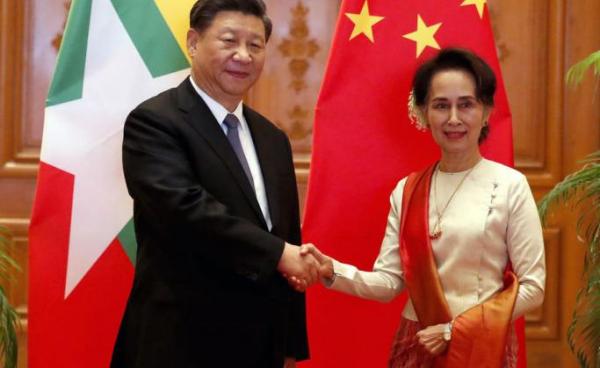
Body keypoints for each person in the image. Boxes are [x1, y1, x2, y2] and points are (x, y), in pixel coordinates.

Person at [297, 48, 546, 367]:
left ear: (485, 112)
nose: (453, 118)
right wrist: (333, 270)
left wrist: (455, 330)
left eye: (466, 104)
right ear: (424, 112)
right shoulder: (408, 190)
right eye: (441, 105)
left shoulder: (510, 185)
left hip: (480, 345)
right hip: (419, 344)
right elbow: (388, 284)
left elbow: (533, 288)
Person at [110, 1, 319, 367]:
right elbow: (186, 213)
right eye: (229, 41)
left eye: (255, 45)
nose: (243, 55)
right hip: (180, 343)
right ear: (193, 42)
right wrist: (278, 254)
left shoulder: (272, 139)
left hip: (260, 345)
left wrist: (290, 346)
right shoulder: (154, 123)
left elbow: (287, 235)